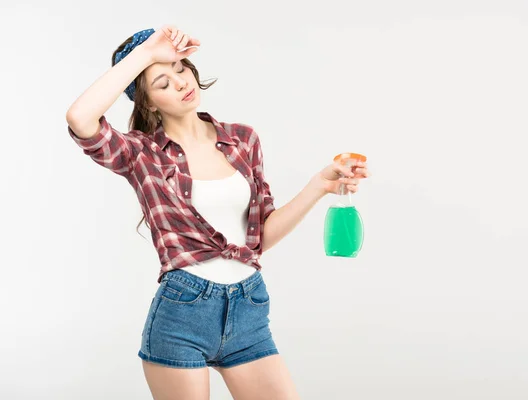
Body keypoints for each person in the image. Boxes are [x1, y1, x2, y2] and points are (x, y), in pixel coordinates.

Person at [65, 25, 370, 400]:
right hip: (183, 313)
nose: (179, 82)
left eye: (180, 68)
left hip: (249, 306)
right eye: (162, 83)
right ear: (147, 103)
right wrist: (145, 54)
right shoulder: (141, 154)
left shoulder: (243, 139)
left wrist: (319, 185)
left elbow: (261, 238)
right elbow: (80, 119)